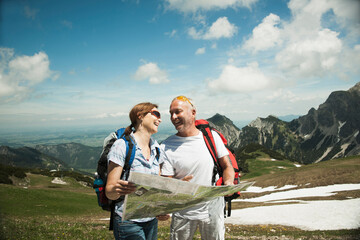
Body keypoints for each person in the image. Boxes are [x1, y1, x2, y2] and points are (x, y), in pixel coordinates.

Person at [161, 96, 235, 240]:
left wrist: (229, 182)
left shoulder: (211, 137)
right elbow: (166, 184)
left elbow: (227, 166)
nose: (173, 117)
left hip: (213, 209)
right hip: (182, 212)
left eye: (178, 112)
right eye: (171, 113)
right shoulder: (166, 146)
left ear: (193, 113)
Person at [105, 102, 169, 240]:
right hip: (128, 221)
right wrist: (118, 189)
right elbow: (109, 191)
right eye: (156, 114)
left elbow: (155, 188)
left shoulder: (157, 148)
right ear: (140, 116)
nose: (160, 119)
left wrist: (161, 209)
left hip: (151, 220)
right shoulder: (122, 146)